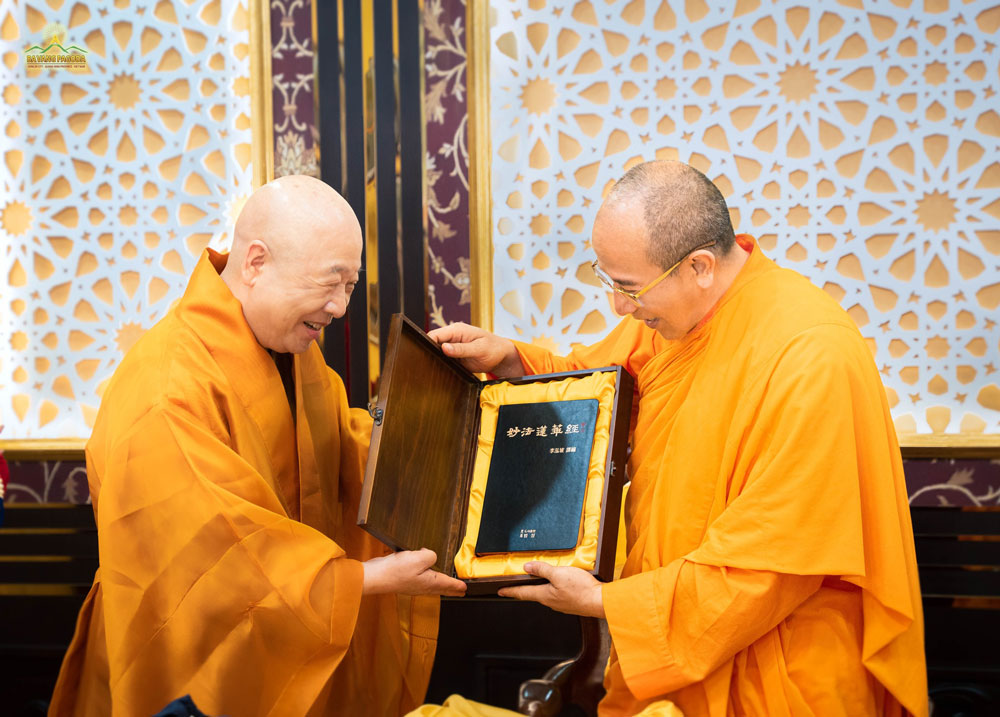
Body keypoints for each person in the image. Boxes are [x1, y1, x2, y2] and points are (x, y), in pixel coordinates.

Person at [424, 160, 927, 716]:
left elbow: (774, 565)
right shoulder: (671, 319)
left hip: (778, 666)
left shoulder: (812, 356)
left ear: (700, 266)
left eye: (628, 287)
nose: (618, 305)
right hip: (675, 649)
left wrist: (603, 601)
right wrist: (514, 361)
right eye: (607, 280)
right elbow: (597, 392)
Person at [50, 175, 467, 716]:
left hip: (284, 642)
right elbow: (211, 557)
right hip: (191, 670)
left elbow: (343, 449)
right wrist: (361, 578)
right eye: (330, 282)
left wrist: (447, 431)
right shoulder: (166, 387)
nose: (341, 307)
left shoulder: (289, 348)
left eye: (351, 285)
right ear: (255, 262)